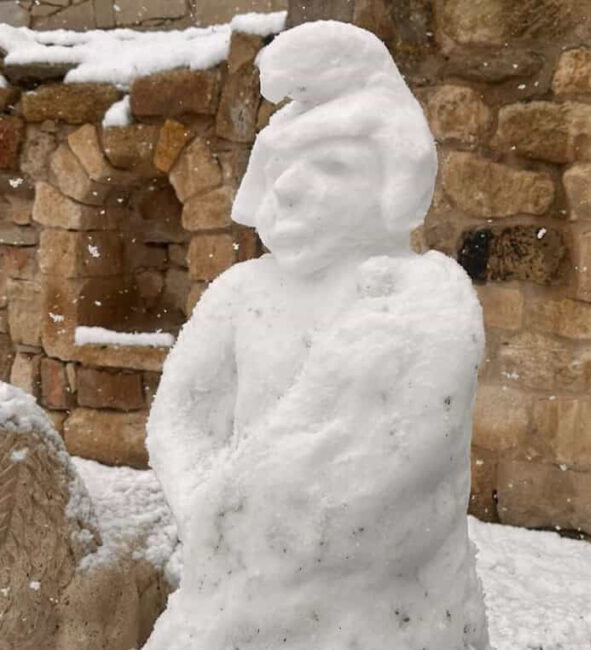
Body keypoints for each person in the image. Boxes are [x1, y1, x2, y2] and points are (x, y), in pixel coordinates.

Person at [143, 20, 492, 650]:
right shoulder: (242, 293)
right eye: (280, 166)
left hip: (383, 607)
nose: (290, 186)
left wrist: (286, 527)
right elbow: (182, 413)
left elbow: (403, 458)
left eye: (330, 165)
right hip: (235, 590)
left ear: (390, 182)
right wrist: (210, 508)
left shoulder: (422, 298)